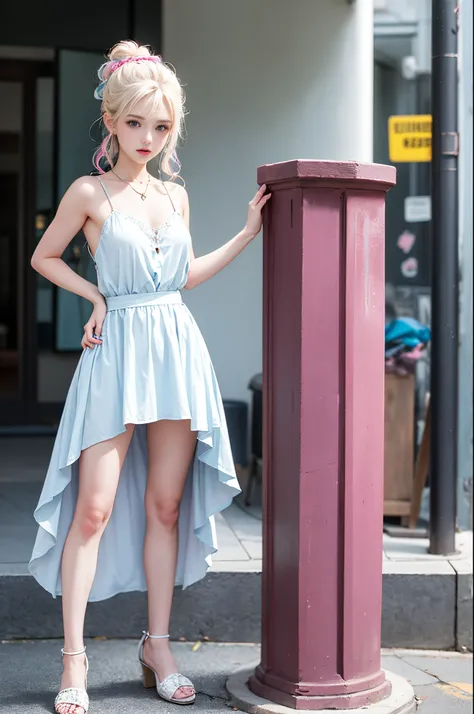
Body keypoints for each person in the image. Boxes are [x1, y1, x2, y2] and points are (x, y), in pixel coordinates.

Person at [29, 40, 271, 714]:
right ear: (111, 119)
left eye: (161, 126)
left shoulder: (175, 195)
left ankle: (156, 645)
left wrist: (247, 233)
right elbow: (44, 256)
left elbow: (184, 275)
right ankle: (73, 658)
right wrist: (97, 296)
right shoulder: (89, 192)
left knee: (165, 506)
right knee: (94, 508)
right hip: (117, 350)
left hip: (174, 349)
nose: (148, 137)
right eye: (136, 122)